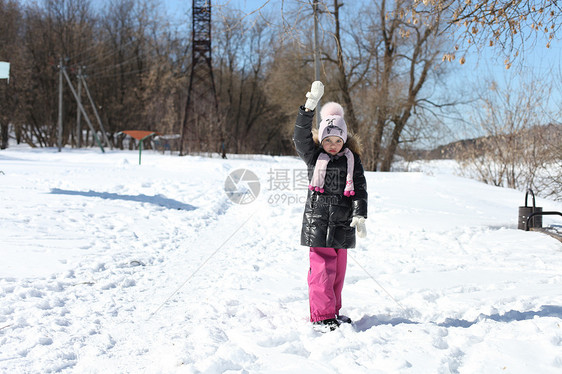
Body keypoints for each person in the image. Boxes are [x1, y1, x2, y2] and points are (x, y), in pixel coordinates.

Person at [293, 81, 368, 331]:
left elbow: (359, 188)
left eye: (338, 140)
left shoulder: (351, 160)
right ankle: (321, 315)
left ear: (344, 139)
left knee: (338, 271)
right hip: (318, 221)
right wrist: (308, 109)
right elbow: (300, 137)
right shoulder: (315, 157)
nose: (333, 144)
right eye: (328, 140)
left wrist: (359, 214)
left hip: (342, 222)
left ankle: (332, 311)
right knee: (322, 271)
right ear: (321, 140)